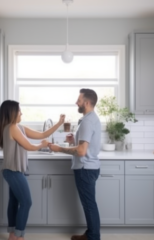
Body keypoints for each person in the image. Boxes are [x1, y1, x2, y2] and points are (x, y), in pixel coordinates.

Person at [0, 100, 65, 240]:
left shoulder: (19, 127)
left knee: (14, 202)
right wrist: (42, 145)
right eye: (19, 110)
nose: (21, 112)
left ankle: (12, 235)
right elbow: (29, 146)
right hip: (13, 171)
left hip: (13, 171)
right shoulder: (12, 127)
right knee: (27, 202)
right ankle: (19, 236)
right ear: (12, 112)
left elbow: (42, 134)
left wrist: (59, 123)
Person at [49, 89, 101, 240]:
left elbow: (82, 151)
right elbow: (85, 145)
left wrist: (59, 149)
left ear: (86, 102)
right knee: (89, 204)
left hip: (85, 168)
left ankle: (93, 237)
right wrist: (74, 141)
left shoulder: (87, 121)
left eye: (78, 100)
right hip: (90, 167)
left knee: (89, 205)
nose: (76, 102)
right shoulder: (91, 118)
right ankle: (90, 234)